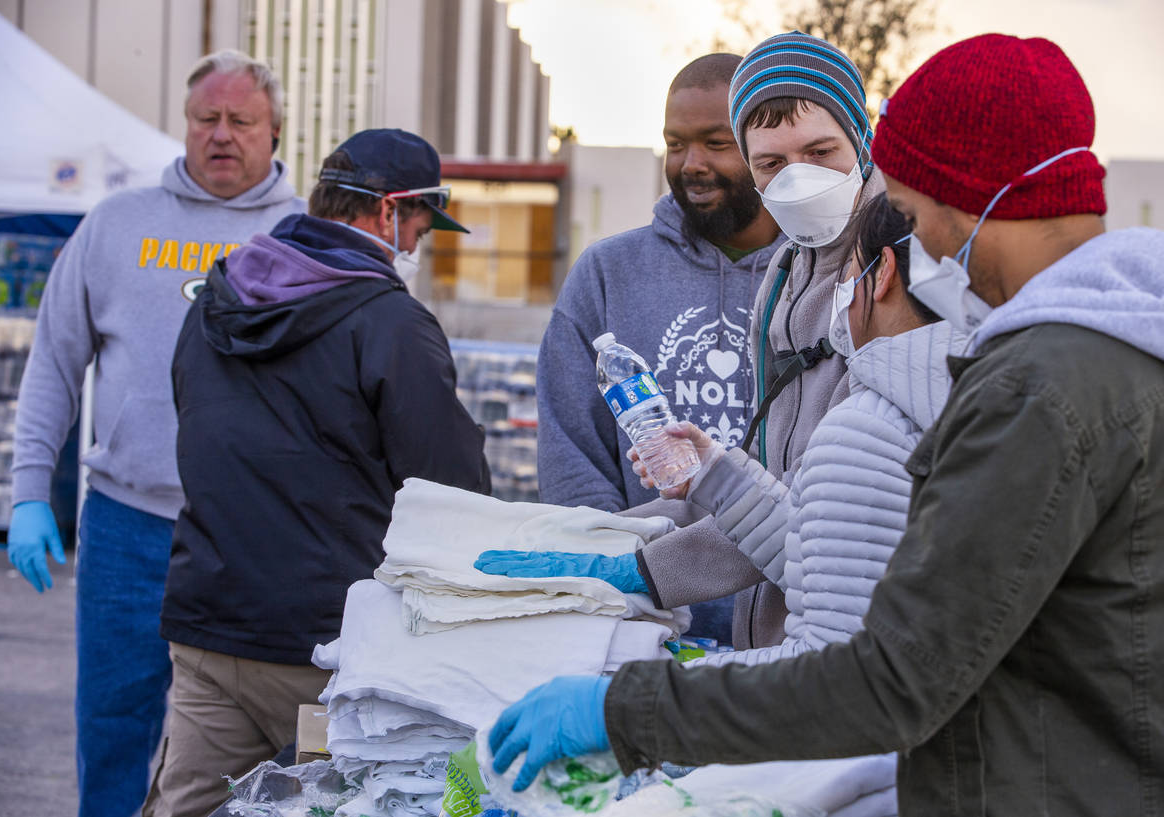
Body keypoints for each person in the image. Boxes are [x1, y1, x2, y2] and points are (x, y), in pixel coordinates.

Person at [485, 34, 1164, 814]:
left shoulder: (1036, 387)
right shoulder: (1117, 347)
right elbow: (833, 540)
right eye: (770, 161)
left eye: (907, 211)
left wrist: (625, 709)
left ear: (963, 198)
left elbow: (890, 679)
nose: (919, 245)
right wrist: (697, 510)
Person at [480, 34, 885, 651]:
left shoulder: (878, 277)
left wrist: (655, 569)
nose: (692, 162)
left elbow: (836, 517)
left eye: (714, 143)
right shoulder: (619, 274)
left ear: (860, 140)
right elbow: (571, 446)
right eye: (675, 144)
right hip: (658, 622)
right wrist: (616, 570)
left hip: (806, 625)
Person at [144, 128, 491, 817]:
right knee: (345, 805)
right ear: (388, 210)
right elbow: (454, 496)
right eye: (420, 223)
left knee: (182, 807)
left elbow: (195, 425)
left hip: (211, 626)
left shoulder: (216, 298)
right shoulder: (391, 322)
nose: (418, 244)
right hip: (333, 649)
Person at [5, 49, 304, 817]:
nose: (222, 134)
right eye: (207, 118)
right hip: (126, 527)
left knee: (254, 745)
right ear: (185, 124)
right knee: (111, 726)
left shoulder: (306, 238)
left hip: (253, 537)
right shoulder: (116, 225)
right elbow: (52, 365)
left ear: (276, 132)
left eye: (243, 120)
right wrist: (28, 494)